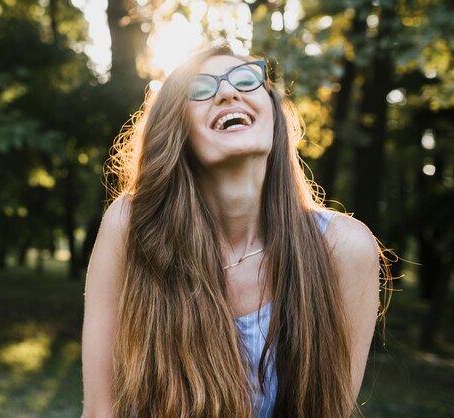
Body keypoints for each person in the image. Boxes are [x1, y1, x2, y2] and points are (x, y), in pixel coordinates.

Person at [81, 45, 387, 418]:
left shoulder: (344, 247)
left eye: (247, 80)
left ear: (272, 113)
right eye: (202, 88)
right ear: (177, 128)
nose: (228, 92)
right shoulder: (132, 224)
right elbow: (100, 410)